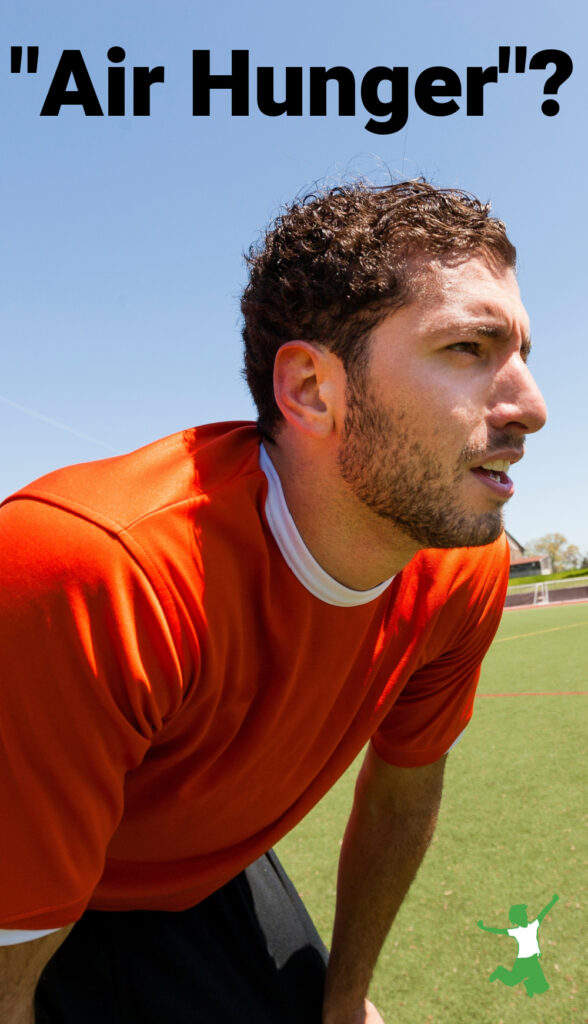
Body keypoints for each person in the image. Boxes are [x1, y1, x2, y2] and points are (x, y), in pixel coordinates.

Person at [0, 179, 547, 1024]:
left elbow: (403, 790)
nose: (531, 407)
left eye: (521, 353)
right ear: (313, 390)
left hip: (197, 871)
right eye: (469, 349)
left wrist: (346, 998)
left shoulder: (455, 561)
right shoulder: (93, 572)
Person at [477, 894, 559, 997]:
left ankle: (529, 985)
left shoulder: (533, 926)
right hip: (524, 961)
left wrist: (553, 901)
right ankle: (500, 972)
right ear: (516, 919)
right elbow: (499, 931)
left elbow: (543, 913)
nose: (524, 916)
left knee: (542, 985)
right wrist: (483, 927)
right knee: (512, 981)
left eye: (524, 914)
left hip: (532, 959)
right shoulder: (517, 932)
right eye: (521, 915)